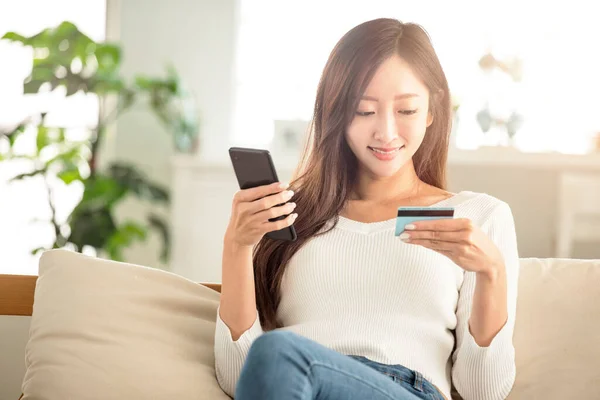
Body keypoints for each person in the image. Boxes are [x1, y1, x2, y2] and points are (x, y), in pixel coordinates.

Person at [215, 18, 519, 400]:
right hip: (298, 384)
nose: (386, 132)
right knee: (277, 356)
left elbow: (483, 392)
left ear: (431, 111)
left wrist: (491, 272)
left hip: (403, 390)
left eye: (406, 111)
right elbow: (239, 375)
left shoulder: (478, 216)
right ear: (336, 114)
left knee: (279, 353)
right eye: (363, 111)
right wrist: (237, 246)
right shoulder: (289, 214)